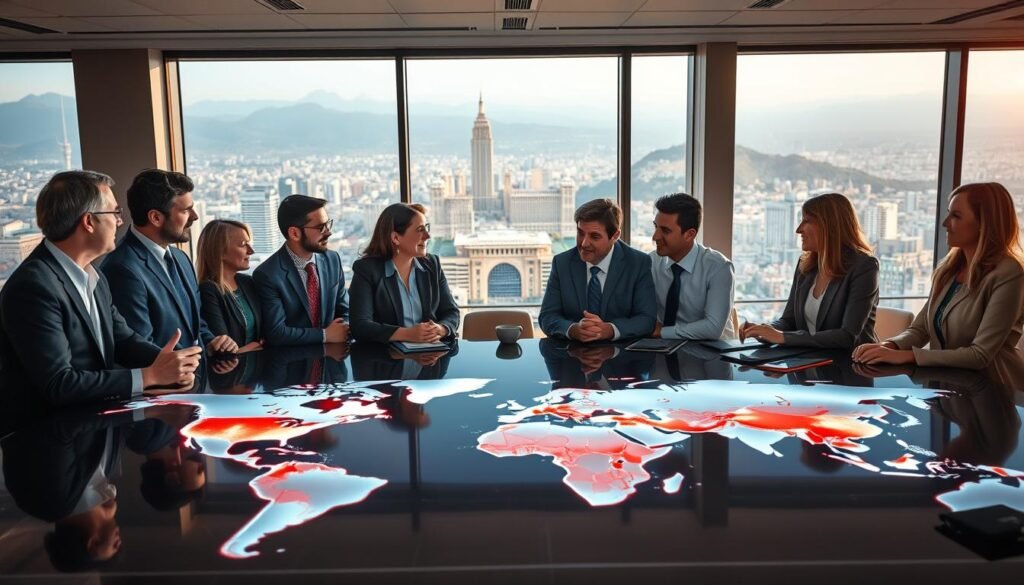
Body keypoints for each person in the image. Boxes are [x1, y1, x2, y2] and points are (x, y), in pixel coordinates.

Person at [0, 171, 202, 407]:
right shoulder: (34, 287)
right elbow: (58, 383)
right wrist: (151, 376)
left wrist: (169, 363)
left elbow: (123, 340)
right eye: (115, 212)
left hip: (92, 430)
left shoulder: (94, 276)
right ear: (88, 222)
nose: (119, 221)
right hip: (51, 436)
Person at [853, 182, 1024, 369]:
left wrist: (906, 356)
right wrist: (888, 346)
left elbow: (980, 355)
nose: (945, 223)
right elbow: (921, 329)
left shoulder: (1009, 273)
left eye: (956, 216)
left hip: (991, 387)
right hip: (947, 383)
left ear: (985, 224)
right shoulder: (949, 269)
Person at [101, 169, 236, 354]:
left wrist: (211, 341)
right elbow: (138, 346)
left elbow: (195, 323)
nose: (195, 216)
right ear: (155, 217)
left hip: (197, 378)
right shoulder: (122, 269)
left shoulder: (181, 258)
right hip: (166, 381)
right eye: (186, 210)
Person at [741, 192, 879, 349]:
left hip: (850, 365)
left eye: (807, 221)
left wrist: (782, 337)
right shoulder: (805, 264)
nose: (799, 230)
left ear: (830, 227)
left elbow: (847, 336)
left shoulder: (864, 267)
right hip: (808, 363)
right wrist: (764, 330)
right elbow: (790, 320)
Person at [539, 198, 656, 341]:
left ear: (615, 236)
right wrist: (573, 329)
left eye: (594, 236)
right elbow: (547, 316)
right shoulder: (562, 263)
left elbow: (646, 320)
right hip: (572, 355)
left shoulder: (638, 263)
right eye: (581, 233)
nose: (584, 243)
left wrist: (610, 330)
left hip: (622, 357)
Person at [349, 203, 459, 344]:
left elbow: (451, 312)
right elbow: (360, 326)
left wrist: (441, 329)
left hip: (430, 357)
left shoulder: (432, 264)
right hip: (384, 360)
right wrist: (407, 334)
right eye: (420, 230)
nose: (427, 236)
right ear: (396, 238)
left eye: (426, 228)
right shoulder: (367, 270)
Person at [253, 195, 350, 346]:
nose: (328, 232)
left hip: (333, 360)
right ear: (294, 233)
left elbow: (345, 311)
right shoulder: (268, 275)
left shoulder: (332, 260)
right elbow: (277, 332)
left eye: (328, 224)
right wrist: (325, 335)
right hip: (294, 364)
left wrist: (344, 327)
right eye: (320, 227)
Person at [649, 193, 736, 340]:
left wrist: (662, 332)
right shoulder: (651, 262)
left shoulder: (719, 268)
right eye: (655, 227)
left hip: (714, 354)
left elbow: (712, 328)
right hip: (665, 350)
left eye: (665, 230)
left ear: (689, 234)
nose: (655, 236)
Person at [196, 219, 263, 352]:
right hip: (232, 369)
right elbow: (224, 347)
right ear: (220, 251)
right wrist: (253, 346)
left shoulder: (247, 282)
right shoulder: (208, 290)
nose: (251, 251)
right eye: (243, 245)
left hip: (258, 367)